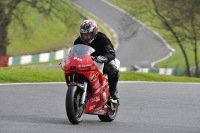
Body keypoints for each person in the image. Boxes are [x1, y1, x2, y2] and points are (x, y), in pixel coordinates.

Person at [73, 19, 120, 100]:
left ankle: (113, 91)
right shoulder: (78, 41)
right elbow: (74, 54)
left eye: (88, 34)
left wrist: (105, 57)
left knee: (113, 69)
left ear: (94, 32)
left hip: (103, 61)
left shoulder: (103, 39)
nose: (86, 37)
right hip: (86, 62)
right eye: (84, 35)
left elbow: (111, 53)